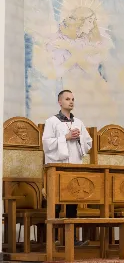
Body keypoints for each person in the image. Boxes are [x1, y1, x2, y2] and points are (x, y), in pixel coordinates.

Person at [42, 90, 92, 246]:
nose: (71, 102)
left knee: (72, 202)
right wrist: (66, 138)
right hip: (58, 167)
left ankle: (72, 239)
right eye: (67, 99)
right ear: (60, 102)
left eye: (73, 99)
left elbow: (88, 143)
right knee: (56, 203)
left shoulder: (79, 122)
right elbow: (47, 144)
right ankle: (54, 239)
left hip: (74, 165)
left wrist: (80, 138)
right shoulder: (52, 121)